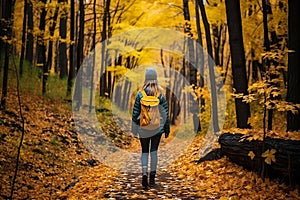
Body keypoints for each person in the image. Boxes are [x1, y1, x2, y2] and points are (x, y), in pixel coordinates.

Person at [131, 67, 170, 188]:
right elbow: (165, 114)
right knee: (154, 153)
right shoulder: (160, 95)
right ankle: (152, 179)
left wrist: (134, 129)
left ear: (146, 79)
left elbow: (135, 113)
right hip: (157, 129)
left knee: (144, 152)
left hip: (144, 128)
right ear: (156, 79)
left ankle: (144, 174)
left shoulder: (140, 95)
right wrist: (166, 129)